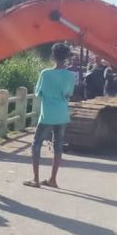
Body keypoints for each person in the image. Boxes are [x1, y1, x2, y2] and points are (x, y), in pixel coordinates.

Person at [25, 43, 74, 189]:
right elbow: (68, 94)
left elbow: (38, 92)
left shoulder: (45, 73)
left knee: (36, 144)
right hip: (62, 114)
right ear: (66, 57)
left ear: (53, 56)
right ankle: (53, 179)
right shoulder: (70, 75)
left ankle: (36, 179)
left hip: (47, 114)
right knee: (58, 146)